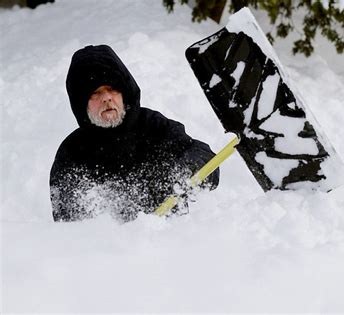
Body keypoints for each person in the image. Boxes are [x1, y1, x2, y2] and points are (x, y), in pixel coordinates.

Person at [50, 45, 219, 222]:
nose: (107, 98)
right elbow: (68, 231)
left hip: (172, 240)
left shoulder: (153, 126)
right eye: (95, 93)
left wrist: (188, 169)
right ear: (81, 104)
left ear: (124, 93)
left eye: (112, 89)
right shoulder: (72, 155)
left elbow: (204, 158)